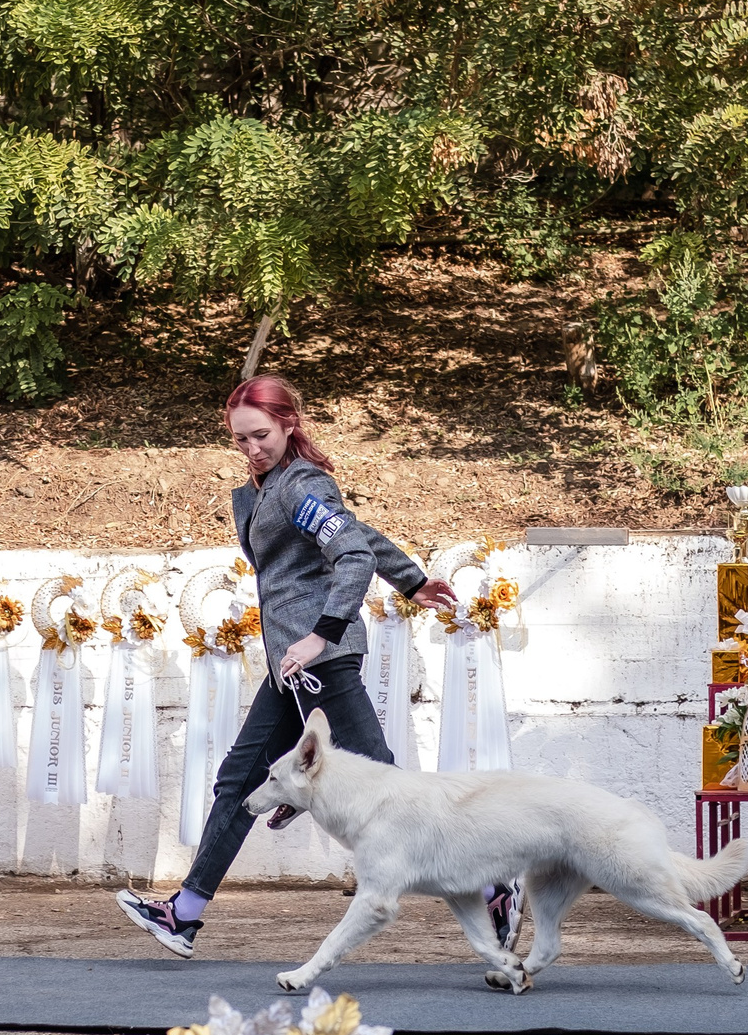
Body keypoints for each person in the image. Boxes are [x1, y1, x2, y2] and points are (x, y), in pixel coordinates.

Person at [117, 375, 522, 957]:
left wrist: (320, 635)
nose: (252, 448)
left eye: (261, 435)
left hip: (319, 658)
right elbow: (360, 534)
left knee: (389, 789)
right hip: (292, 664)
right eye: (240, 440)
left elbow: (350, 553)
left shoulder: (301, 485)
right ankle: (184, 913)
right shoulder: (266, 489)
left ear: (288, 425)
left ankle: (491, 887)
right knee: (240, 778)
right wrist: (410, 579)